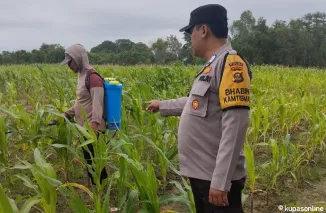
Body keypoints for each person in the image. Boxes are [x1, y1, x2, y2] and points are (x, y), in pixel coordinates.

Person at [146, 4, 252, 213]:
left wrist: (220, 182)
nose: (189, 38)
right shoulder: (212, 64)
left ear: (203, 30)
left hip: (216, 179)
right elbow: (195, 102)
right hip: (204, 175)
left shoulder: (231, 64)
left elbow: (236, 125)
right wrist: (163, 105)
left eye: (191, 31)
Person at [60, 44, 108, 185]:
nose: (69, 66)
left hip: (93, 128)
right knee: (90, 160)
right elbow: (80, 101)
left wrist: (94, 128)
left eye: (70, 62)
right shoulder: (82, 76)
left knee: (94, 161)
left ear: (79, 58)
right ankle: (98, 186)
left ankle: (99, 189)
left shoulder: (93, 78)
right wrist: (67, 114)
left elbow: (98, 104)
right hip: (84, 128)